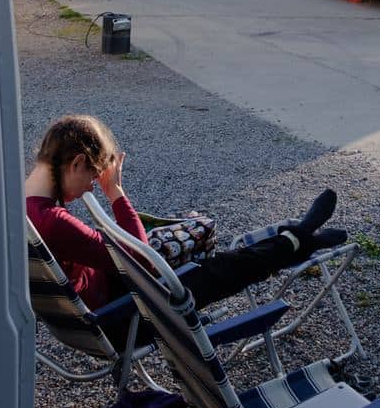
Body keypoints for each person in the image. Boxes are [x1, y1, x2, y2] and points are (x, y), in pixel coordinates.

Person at [24, 114, 347, 338]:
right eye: (93, 177)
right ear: (77, 162)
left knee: (204, 251)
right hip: (126, 314)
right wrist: (116, 194)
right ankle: (301, 238)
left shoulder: (17, 204)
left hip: (99, 301)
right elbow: (145, 261)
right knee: (225, 268)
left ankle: (296, 238)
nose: (92, 187)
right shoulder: (53, 222)